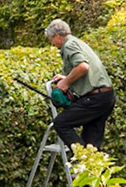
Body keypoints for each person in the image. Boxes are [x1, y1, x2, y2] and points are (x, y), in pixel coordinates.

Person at [44, 19, 115, 150]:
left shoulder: (69, 45)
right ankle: (88, 160)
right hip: (106, 96)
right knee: (91, 144)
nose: (52, 44)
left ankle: (82, 157)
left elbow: (83, 66)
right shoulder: (77, 42)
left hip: (95, 98)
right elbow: (86, 69)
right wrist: (67, 77)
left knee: (61, 123)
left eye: (51, 39)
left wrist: (65, 82)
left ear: (58, 36)